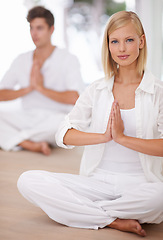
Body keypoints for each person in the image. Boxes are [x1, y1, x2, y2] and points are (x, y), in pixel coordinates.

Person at [17, 11, 163, 236]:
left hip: (141, 184)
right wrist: (104, 136)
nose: (122, 48)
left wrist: (123, 139)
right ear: (108, 45)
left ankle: (81, 212)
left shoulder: (158, 92)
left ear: (141, 42)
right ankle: (113, 219)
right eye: (115, 41)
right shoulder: (97, 89)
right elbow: (63, 135)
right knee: (27, 181)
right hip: (97, 183)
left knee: (159, 198)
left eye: (129, 40)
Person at [0, 6, 84, 155]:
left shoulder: (68, 59)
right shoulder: (21, 60)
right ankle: (31, 143)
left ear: (51, 30)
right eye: (31, 28)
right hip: (28, 117)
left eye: (39, 28)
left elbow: (75, 98)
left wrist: (40, 88)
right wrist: (28, 88)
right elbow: (2, 94)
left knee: (66, 127)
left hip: (56, 118)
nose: (34, 33)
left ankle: (19, 140)